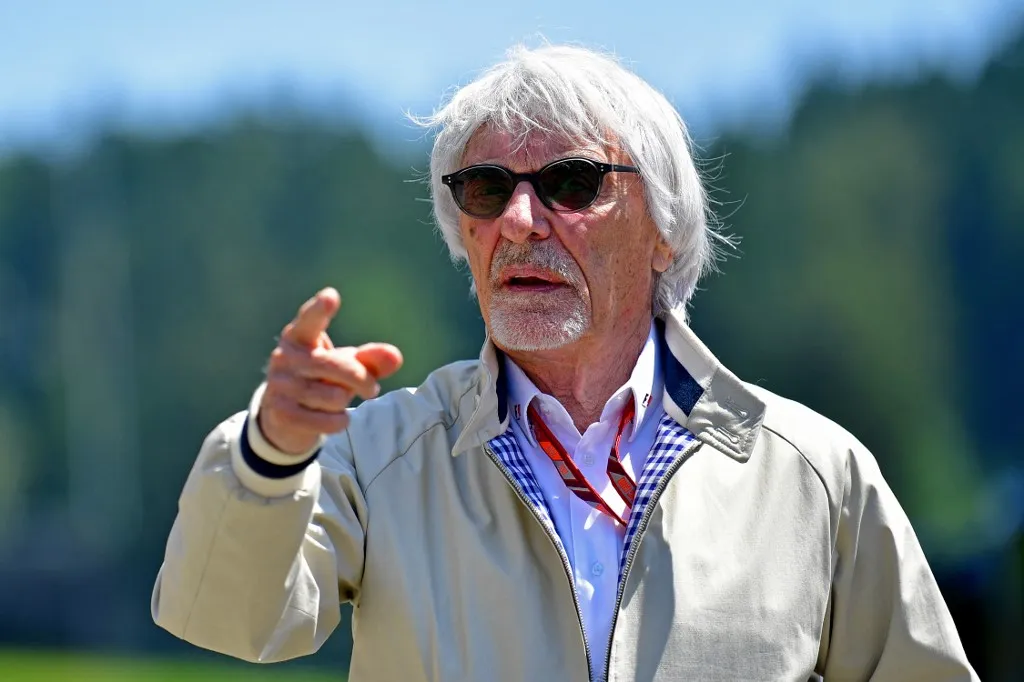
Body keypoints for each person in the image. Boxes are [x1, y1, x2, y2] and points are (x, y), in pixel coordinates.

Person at [151, 45, 977, 681]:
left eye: (571, 182)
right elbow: (227, 619)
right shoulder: (377, 456)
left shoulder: (813, 474)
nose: (519, 220)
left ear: (665, 230)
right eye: (486, 188)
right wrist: (272, 451)